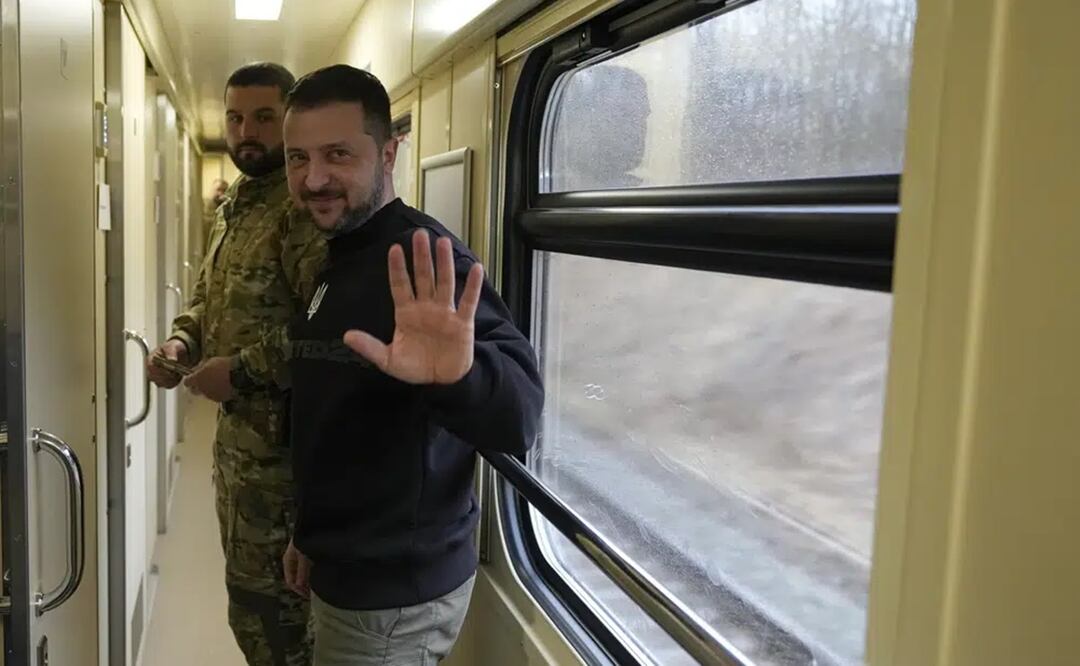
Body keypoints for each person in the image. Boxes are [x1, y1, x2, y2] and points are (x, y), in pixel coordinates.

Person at [279, 64, 544, 665]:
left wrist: (459, 376)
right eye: (298, 159)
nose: (313, 178)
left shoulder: (424, 258)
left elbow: (519, 418)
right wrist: (309, 532)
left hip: (392, 600)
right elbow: (337, 416)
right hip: (348, 564)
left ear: (390, 151)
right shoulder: (342, 254)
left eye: (337, 154)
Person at [146, 62, 327, 665]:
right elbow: (206, 300)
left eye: (264, 118)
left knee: (281, 630)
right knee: (250, 614)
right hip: (237, 460)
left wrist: (240, 372)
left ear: (290, 121)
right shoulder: (235, 208)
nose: (246, 130)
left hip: (286, 475)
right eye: (235, 116)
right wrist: (181, 344)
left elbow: (326, 334)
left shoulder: (304, 212)